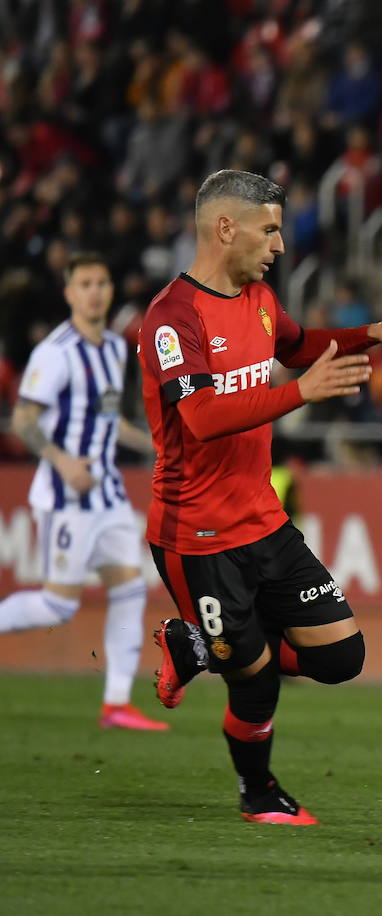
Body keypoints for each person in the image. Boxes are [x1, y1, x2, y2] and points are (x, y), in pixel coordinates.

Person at [139, 170, 382, 825]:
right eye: (269, 230)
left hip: (263, 523)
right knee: (257, 678)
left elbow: (299, 348)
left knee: (339, 656)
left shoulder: (262, 298)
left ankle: (198, 646)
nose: (279, 245)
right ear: (224, 228)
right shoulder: (171, 317)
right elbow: (203, 418)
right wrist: (301, 393)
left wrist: (377, 334)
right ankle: (258, 794)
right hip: (197, 536)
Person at [0, 252, 165, 731]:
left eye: (102, 282)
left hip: (108, 493)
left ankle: (116, 703)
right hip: (67, 495)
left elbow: (110, 421)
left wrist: (158, 446)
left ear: (111, 290)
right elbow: (25, 420)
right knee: (59, 604)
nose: (95, 291)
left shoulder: (114, 348)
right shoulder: (55, 352)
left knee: (131, 588)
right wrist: (63, 462)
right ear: (70, 293)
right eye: (85, 284)